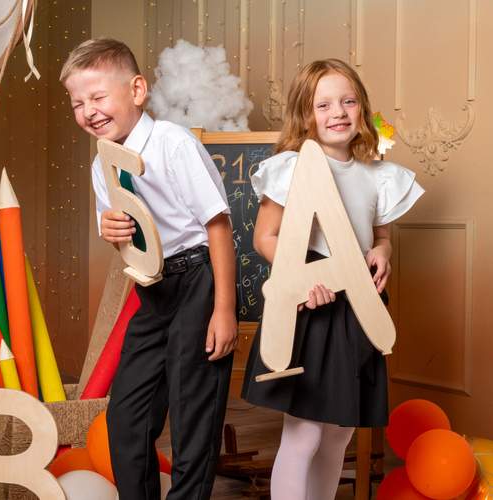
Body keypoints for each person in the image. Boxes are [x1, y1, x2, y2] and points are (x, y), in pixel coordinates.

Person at [60, 38, 237, 500]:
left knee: (192, 412)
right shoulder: (102, 163)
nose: (88, 111)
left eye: (98, 97)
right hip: (153, 289)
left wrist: (223, 310)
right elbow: (125, 235)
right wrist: (111, 230)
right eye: (77, 103)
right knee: (126, 417)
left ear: (137, 90)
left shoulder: (173, 144)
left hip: (198, 279)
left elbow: (218, 227)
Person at [241, 59, 424, 499]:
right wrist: (302, 280)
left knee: (339, 434)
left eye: (348, 102)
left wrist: (383, 252)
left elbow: (381, 236)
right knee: (304, 433)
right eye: (323, 105)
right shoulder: (292, 168)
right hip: (311, 308)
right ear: (305, 114)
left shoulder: (376, 173)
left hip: (357, 309)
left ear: (362, 109)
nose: (338, 112)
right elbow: (265, 237)